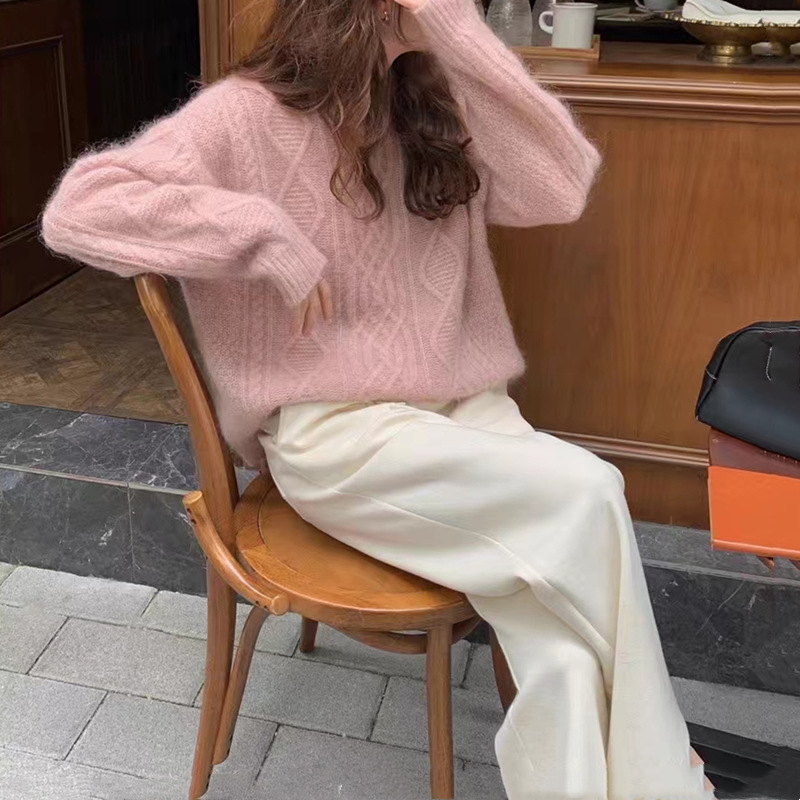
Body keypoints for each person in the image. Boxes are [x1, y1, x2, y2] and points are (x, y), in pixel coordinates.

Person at [42, 0, 715, 797]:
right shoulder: (245, 115)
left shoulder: (433, 100)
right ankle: (671, 782)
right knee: (592, 489)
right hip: (340, 436)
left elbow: (562, 187)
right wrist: (262, 234)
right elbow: (77, 211)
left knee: (565, 652)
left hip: (465, 412)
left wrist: (456, 35)